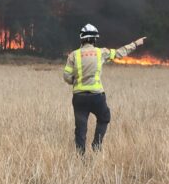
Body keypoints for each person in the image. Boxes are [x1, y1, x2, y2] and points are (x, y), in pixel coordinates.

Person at [62, 23, 147, 154]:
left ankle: (80, 156)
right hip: (97, 97)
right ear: (94, 39)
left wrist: (75, 81)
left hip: (79, 97)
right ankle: (97, 144)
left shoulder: (74, 55)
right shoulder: (101, 52)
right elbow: (119, 53)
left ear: (82, 38)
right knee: (104, 118)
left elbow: (67, 76)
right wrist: (135, 44)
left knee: (80, 127)